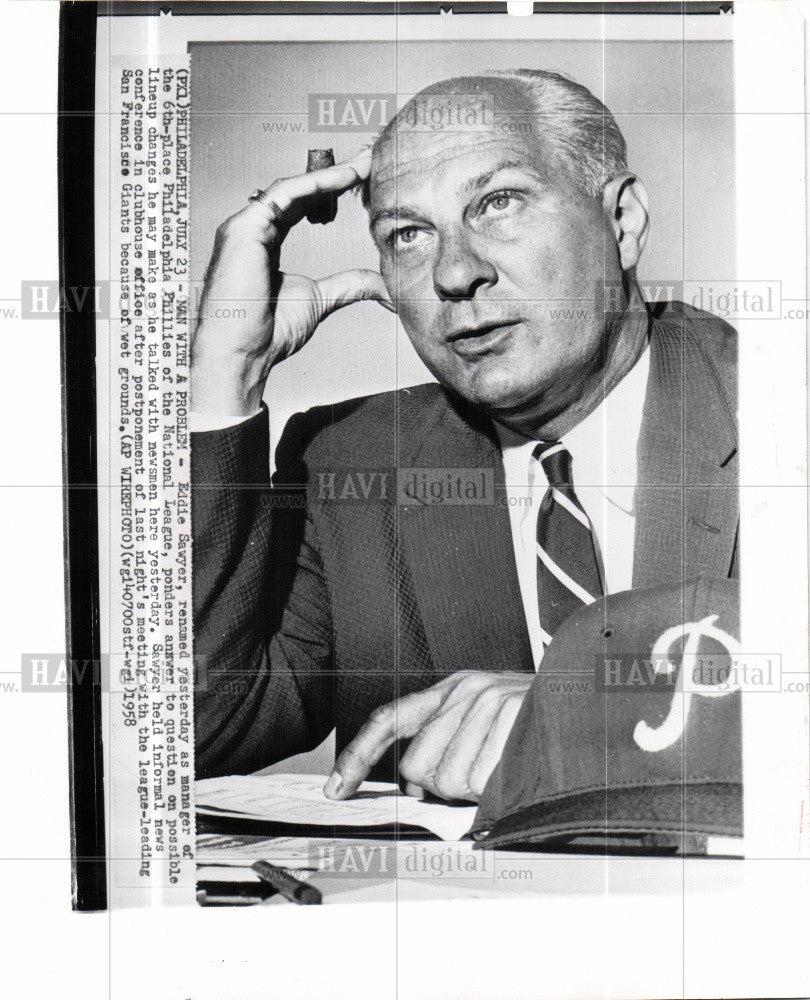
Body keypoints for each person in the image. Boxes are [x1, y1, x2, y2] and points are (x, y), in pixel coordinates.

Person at [191, 70, 738, 803]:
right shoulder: (353, 460)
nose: (454, 272)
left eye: (499, 202)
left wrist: (579, 706)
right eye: (408, 234)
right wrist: (226, 370)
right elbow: (202, 730)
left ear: (624, 221)